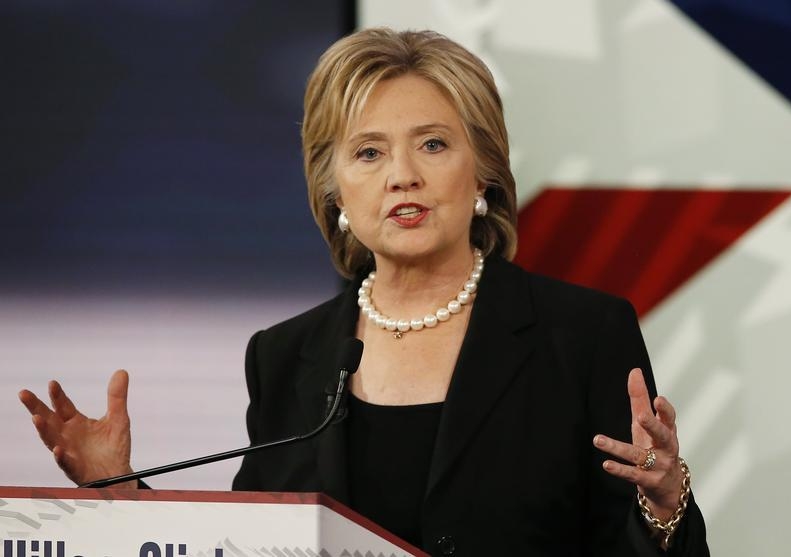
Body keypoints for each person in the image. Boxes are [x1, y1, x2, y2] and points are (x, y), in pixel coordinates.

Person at [19, 28, 709, 556]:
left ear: (484, 174)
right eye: (369, 152)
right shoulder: (287, 356)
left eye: (433, 145)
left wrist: (664, 503)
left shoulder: (582, 335)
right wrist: (121, 490)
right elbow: (250, 545)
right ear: (335, 188)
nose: (401, 175)